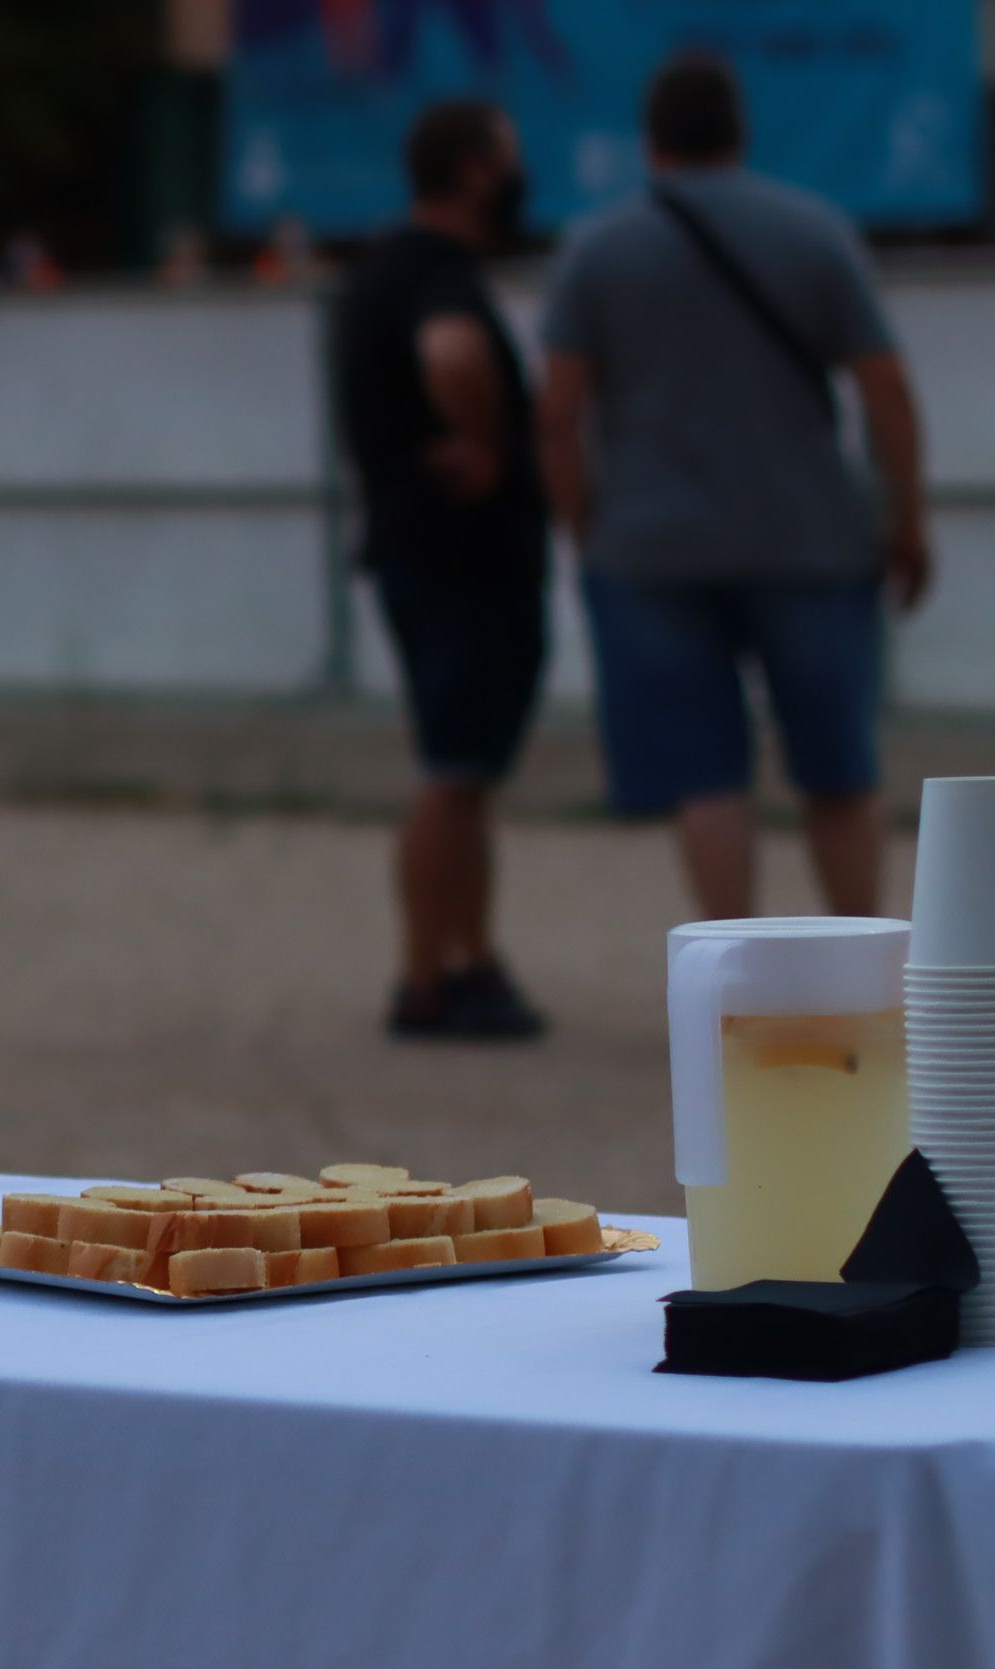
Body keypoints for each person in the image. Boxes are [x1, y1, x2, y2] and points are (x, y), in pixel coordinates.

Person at [538, 53, 929, 920]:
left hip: (653, 549)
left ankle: (734, 985)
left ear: (650, 141)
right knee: (838, 771)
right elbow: (885, 387)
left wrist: (586, 531)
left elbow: (558, 412)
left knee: (706, 781)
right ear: (740, 131)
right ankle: (857, 975)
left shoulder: (596, 250)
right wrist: (909, 518)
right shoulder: (816, 233)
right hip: (811, 542)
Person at [335, 100, 551, 1039]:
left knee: (463, 778)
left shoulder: (377, 271)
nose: (517, 173)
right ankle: (426, 976)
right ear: (471, 171)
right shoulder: (438, 277)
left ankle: (469, 957)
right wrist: (489, 441)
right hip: (464, 560)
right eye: (507, 155)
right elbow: (451, 349)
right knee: (453, 771)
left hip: (416, 553)